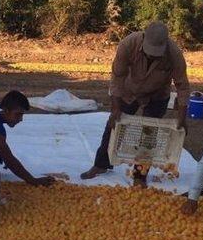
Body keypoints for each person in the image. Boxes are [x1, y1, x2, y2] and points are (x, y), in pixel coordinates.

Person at [81, 21, 190, 186]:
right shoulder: (128, 44)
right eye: (150, 52)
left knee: (149, 134)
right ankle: (101, 165)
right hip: (130, 91)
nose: (152, 56)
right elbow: (117, 77)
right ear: (144, 38)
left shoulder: (174, 53)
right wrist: (115, 109)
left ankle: (140, 176)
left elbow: (182, 86)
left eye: (156, 54)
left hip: (158, 94)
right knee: (114, 125)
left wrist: (182, 116)